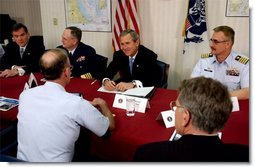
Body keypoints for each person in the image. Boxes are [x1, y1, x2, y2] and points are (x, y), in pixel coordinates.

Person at [17, 48, 115, 162]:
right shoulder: (76, 103)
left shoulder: (25, 95)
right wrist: (103, 105)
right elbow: (108, 128)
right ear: (66, 72)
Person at [134, 77, 249, 162]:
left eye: (177, 106)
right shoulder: (245, 155)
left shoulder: (148, 155)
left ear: (185, 117)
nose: (174, 110)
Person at [191, 26, 249, 100]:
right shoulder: (204, 60)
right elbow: (192, 84)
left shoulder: (243, 64)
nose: (211, 45)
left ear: (227, 44)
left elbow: (247, 92)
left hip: (229, 105)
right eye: (211, 41)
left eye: (216, 42)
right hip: (205, 103)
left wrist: (217, 96)